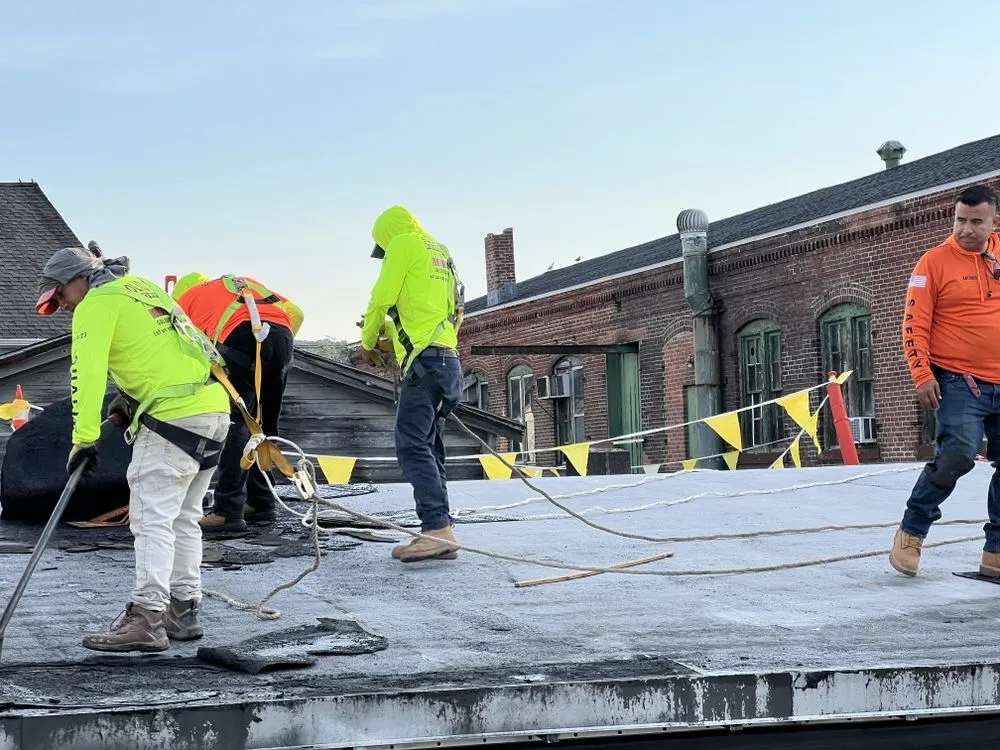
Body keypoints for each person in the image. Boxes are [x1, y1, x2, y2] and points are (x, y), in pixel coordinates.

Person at [36, 247, 231, 652]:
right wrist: (130, 398)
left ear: (78, 280)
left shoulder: (96, 304)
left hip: (171, 419)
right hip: (213, 410)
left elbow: (85, 376)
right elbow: (178, 348)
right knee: (183, 519)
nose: (65, 307)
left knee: (152, 521)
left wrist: (84, 440)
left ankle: (146, 619)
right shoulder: (142, 289)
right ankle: (183, 613)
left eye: (61, 296)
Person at [892, 184, 1000, 577]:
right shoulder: (933, 263)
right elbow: (913, 324)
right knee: (958, 454)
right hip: (957, 382)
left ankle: (996, 554)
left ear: (993, 222)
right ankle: (911, 532)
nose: (966, 229)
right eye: (960, 220)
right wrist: (921, 374)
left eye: (976, 221)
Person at [360, 205, 465, 562]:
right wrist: (390, 333)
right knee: (431, 447)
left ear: (387, 235)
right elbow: (430, 314)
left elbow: (381, 298)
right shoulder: (440, 252)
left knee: (411, 445)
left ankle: (436, 530)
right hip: (447, 361)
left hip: (427, 364)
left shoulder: (403, 244)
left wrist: (367, 338)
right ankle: (441, 529)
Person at [171, 273, 302, 532]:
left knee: (238, 425)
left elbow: (182, 351)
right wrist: (270, 353)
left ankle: (227, 512)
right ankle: (261, 501)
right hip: (282, 337)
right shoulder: (236, 284)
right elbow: (297, 313)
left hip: (240, 339)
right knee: (264, 425)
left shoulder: (184, 300)